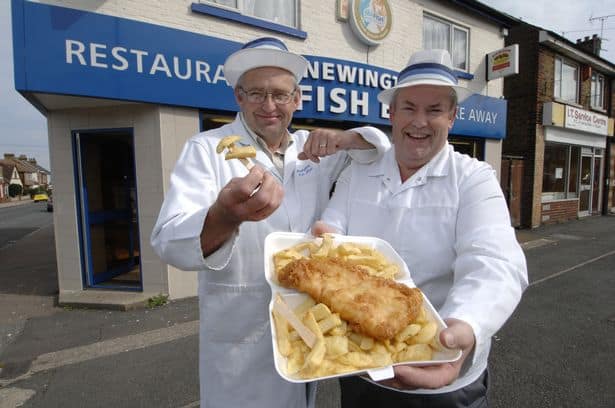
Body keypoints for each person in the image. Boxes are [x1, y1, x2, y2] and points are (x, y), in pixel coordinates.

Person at [150, 36, 390, 408]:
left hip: (307, 324)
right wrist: (225, 215)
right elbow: (169, 239)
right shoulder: (207, 148)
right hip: (241, 334)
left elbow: (377, 153)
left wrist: (346, 138)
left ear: (297, 99)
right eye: (257, 94)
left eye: (280, 95)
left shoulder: (313, 148)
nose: (269, 106)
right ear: (239, 98)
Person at [312, 49, 528, 407]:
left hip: (443, 379)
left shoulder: (473, 179)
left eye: (434, 110)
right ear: (392, 113)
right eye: (409, 108)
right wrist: (324, 239)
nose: (419, 122)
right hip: (364, 372)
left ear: (453, 117)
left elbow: (494, 260)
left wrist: (462, 325)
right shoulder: (357, 173)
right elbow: (332, 228)